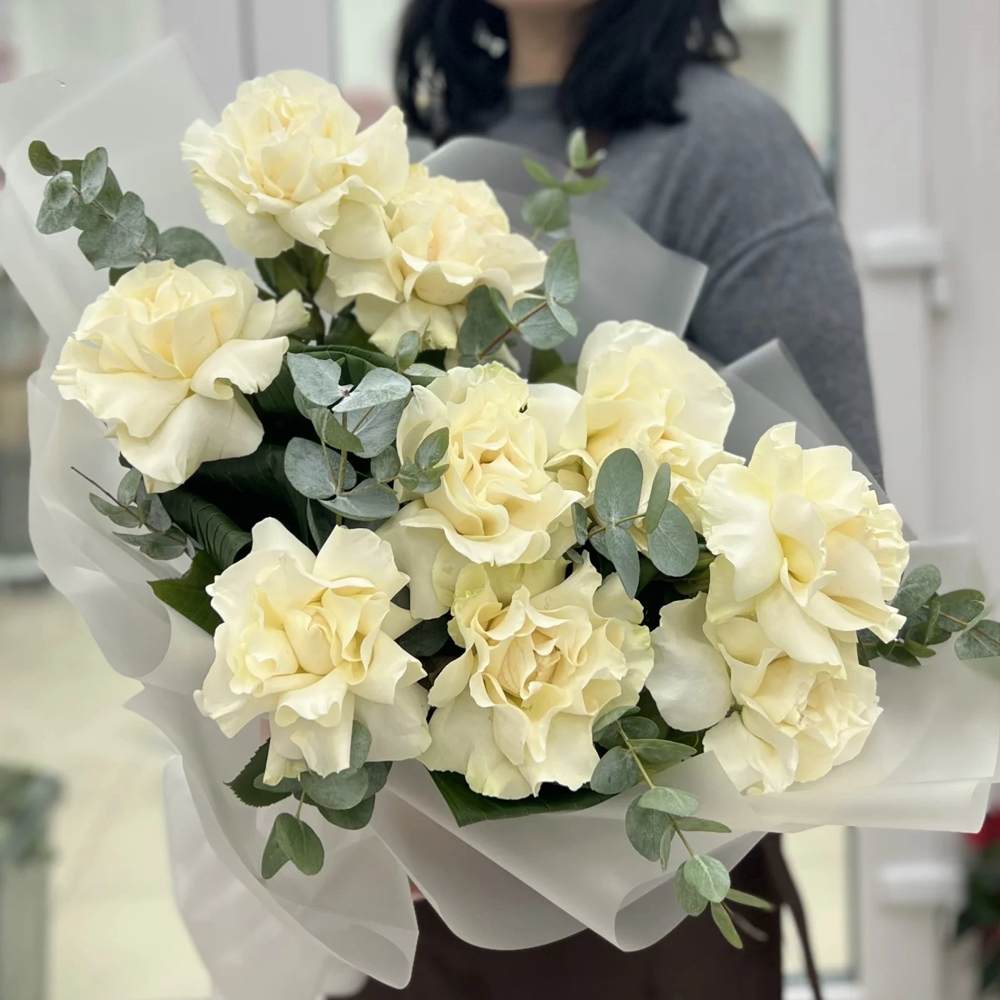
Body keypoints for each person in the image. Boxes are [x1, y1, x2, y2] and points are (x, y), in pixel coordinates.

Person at [358, 1, 873, 996]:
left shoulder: (726, 145)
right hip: (419, 900)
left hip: (644, 891)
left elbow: (838, 520)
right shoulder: (423, 153)